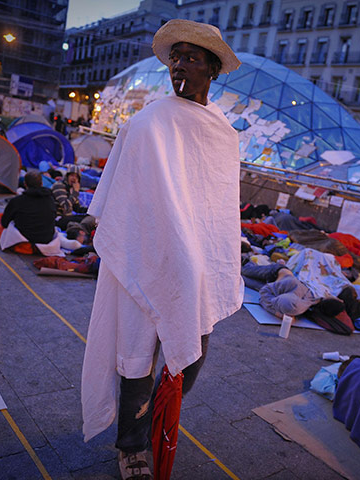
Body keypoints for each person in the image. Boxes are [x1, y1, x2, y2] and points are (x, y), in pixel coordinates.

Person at [80, 19, 242, 479]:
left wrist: (209, 255)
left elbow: (216, 206)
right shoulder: (147, 123)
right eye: (176, 58)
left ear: (212, 70)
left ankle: (156, 422)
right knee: (136, 359)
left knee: (189, 356)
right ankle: (131, 449)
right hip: (145, 255)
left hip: (198, 269)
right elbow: (118, 194)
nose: (180, 67)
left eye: (192, 59)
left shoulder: (223, 134)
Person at [0, 171, 56, 244]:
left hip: (26, 238)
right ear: (42, 183)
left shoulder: (17, 201)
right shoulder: (50, 199)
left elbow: (4, 223)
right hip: (47, 238)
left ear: (25, 184)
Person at [51, 165, 90, 230]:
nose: (74, 178)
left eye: (76, 177)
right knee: (85, 221)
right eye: (72, 175)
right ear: (67, 176)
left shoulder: (71, 189)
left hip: (68, 217)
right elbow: (65, 206)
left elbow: (77, 208)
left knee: (90, 218)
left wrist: (91, 211)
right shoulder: (59, 186)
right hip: (58, 218)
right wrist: (75, 193)